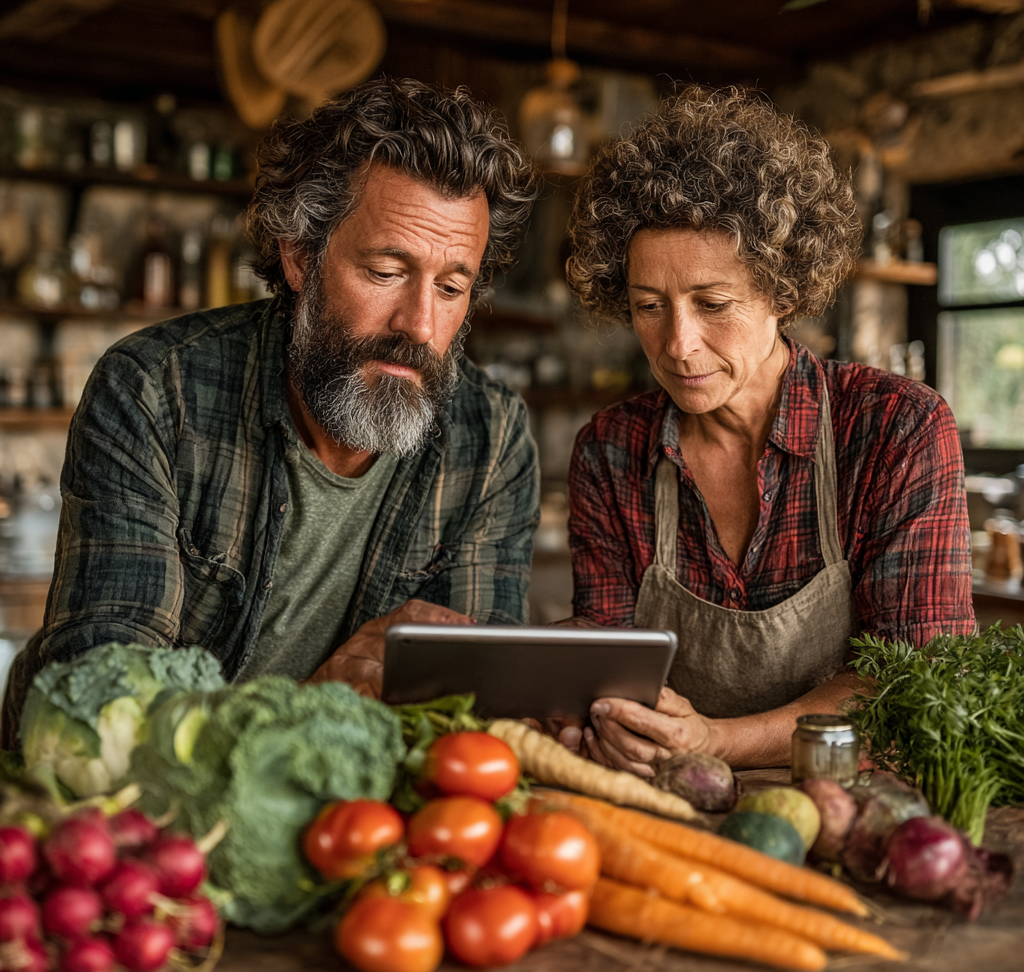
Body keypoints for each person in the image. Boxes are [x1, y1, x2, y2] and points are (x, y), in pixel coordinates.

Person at [1, 78, 541, 748]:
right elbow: (105, 703)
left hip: (357, 822)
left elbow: (464, 723)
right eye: (385, 272)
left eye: (452, 286)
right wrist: (310, 709)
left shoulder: (490, 438)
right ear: (299, 255)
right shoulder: (154, 391)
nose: (421, 326)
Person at [559, 87, 973, 774]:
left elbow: (916, 683)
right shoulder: (610, 451)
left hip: (861, 803)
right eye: (648, 306)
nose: (679, 345)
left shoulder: (896, 428)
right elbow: (608, 668)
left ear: (782, 291)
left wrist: (719, 741)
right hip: (673, 806)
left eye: (713, 304)